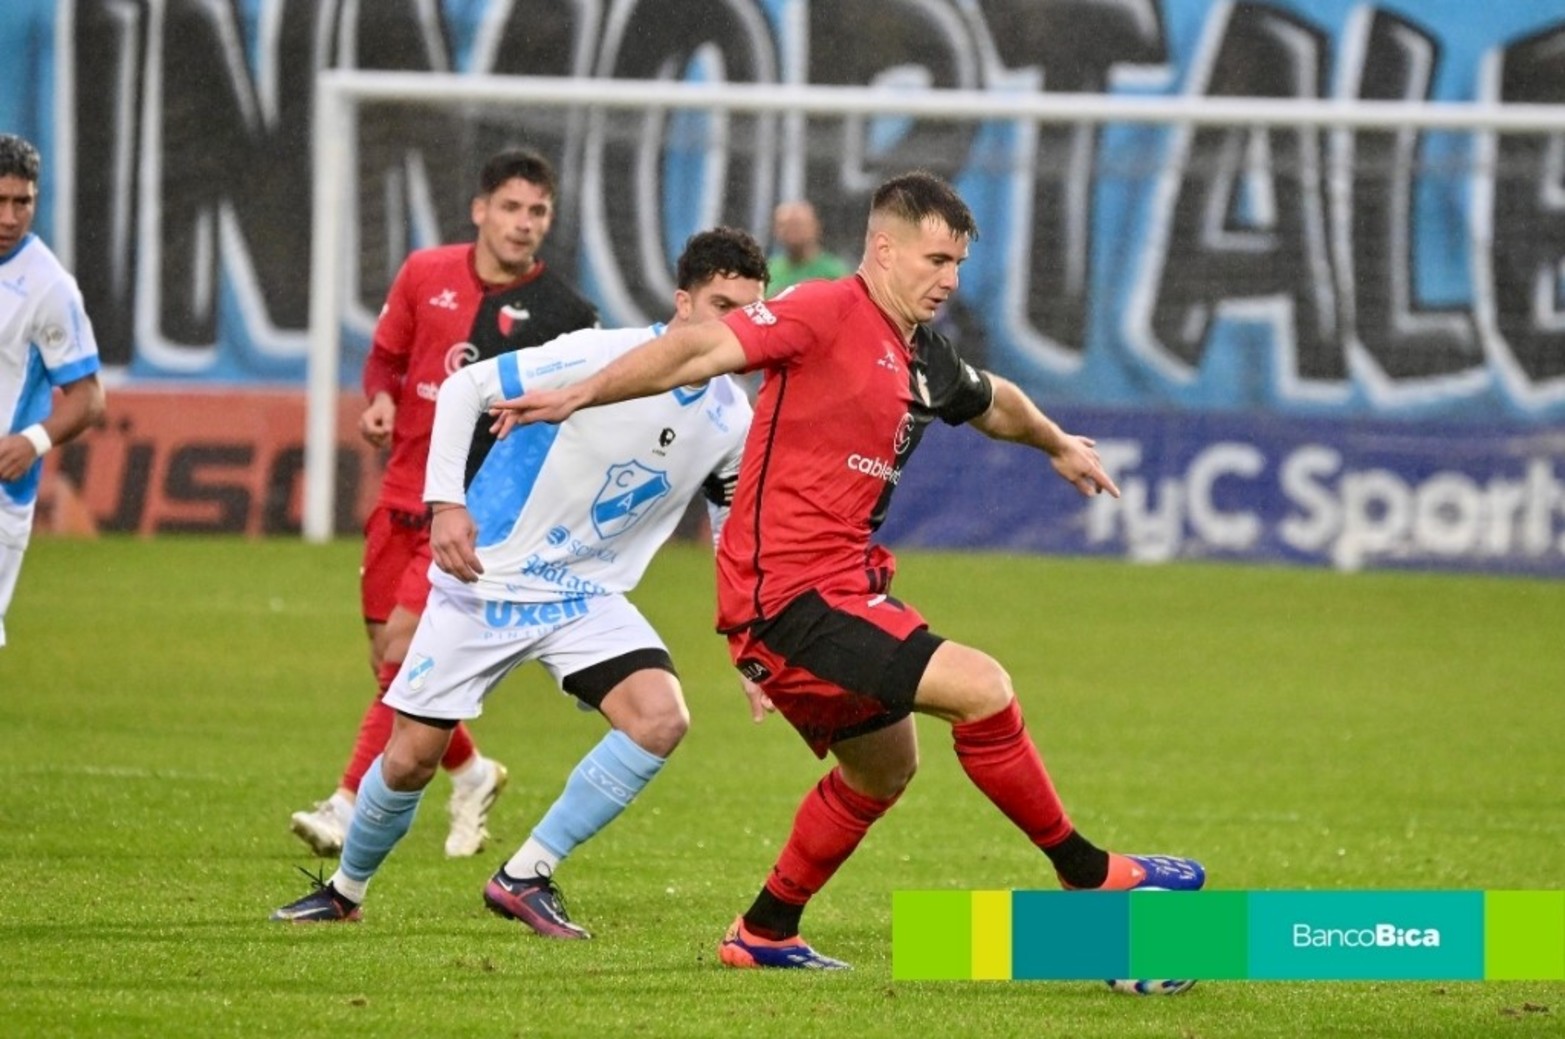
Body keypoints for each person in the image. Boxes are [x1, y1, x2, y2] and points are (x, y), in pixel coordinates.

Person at [487, 171, 1206, 970]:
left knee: (883, 767)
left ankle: (763, 931)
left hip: (839, 591)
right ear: (883, 248)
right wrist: (583, 392)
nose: (949, 279)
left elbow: (992, 398)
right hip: (791, 598)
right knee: (983, 688)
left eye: (958, 264)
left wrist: (1057, 441)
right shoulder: (823, 310)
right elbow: (700, 347)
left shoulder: (922, 353)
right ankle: (1090, 880)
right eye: (935, 259)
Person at [271, 227, 770, 934]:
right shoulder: (600, 354)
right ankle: (344, 891)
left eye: (750, 311)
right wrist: (446, 502)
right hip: (489, 580)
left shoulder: (731, 415)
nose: (736, 327)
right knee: (411, 759)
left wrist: (747, 633)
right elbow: (467, 384)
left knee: (661, 718)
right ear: (682, 301)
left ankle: (524, 875)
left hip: (585, 595)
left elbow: (731, 521)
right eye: (722, 304)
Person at [289, 148, 599, 859]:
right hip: (401, 490)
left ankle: (346, 805)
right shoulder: (424, 273)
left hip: (471, 507)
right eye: (512, 208)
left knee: (402, 651)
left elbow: (581, 414)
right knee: (391, 663)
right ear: (480, 210)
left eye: (538, 212)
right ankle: (471, 769)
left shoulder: (565, 313)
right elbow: (386, 358)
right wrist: (377, 400)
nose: (524, 225)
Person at [0, 134, 107, 648]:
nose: (10, 217)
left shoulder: (48, 288)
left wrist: (32, 443)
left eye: (23, 202)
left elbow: (89, 398)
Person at [766, 200, 849, 296]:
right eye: (784, 225)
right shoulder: (768, 271)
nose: (792, 231)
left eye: (798, 224)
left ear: (816, 226)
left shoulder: (833, 272)